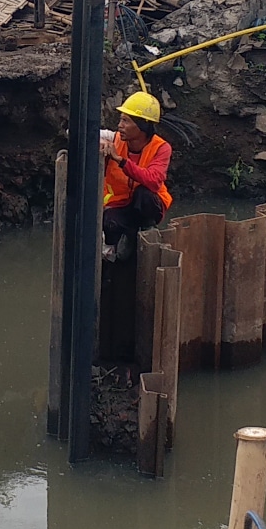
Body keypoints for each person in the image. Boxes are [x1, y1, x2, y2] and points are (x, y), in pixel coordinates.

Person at [98, 91, 174, 360]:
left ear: (141, 126)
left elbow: (154, 180)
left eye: (126, 120)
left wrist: (121, 161)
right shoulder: (115, 139)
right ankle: (126, 241)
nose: (120, 124)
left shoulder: (161, 148)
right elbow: (89, 135)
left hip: (145, 206)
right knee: (109, 222)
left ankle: (140, 235)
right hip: (121, 207)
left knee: (145, 195)